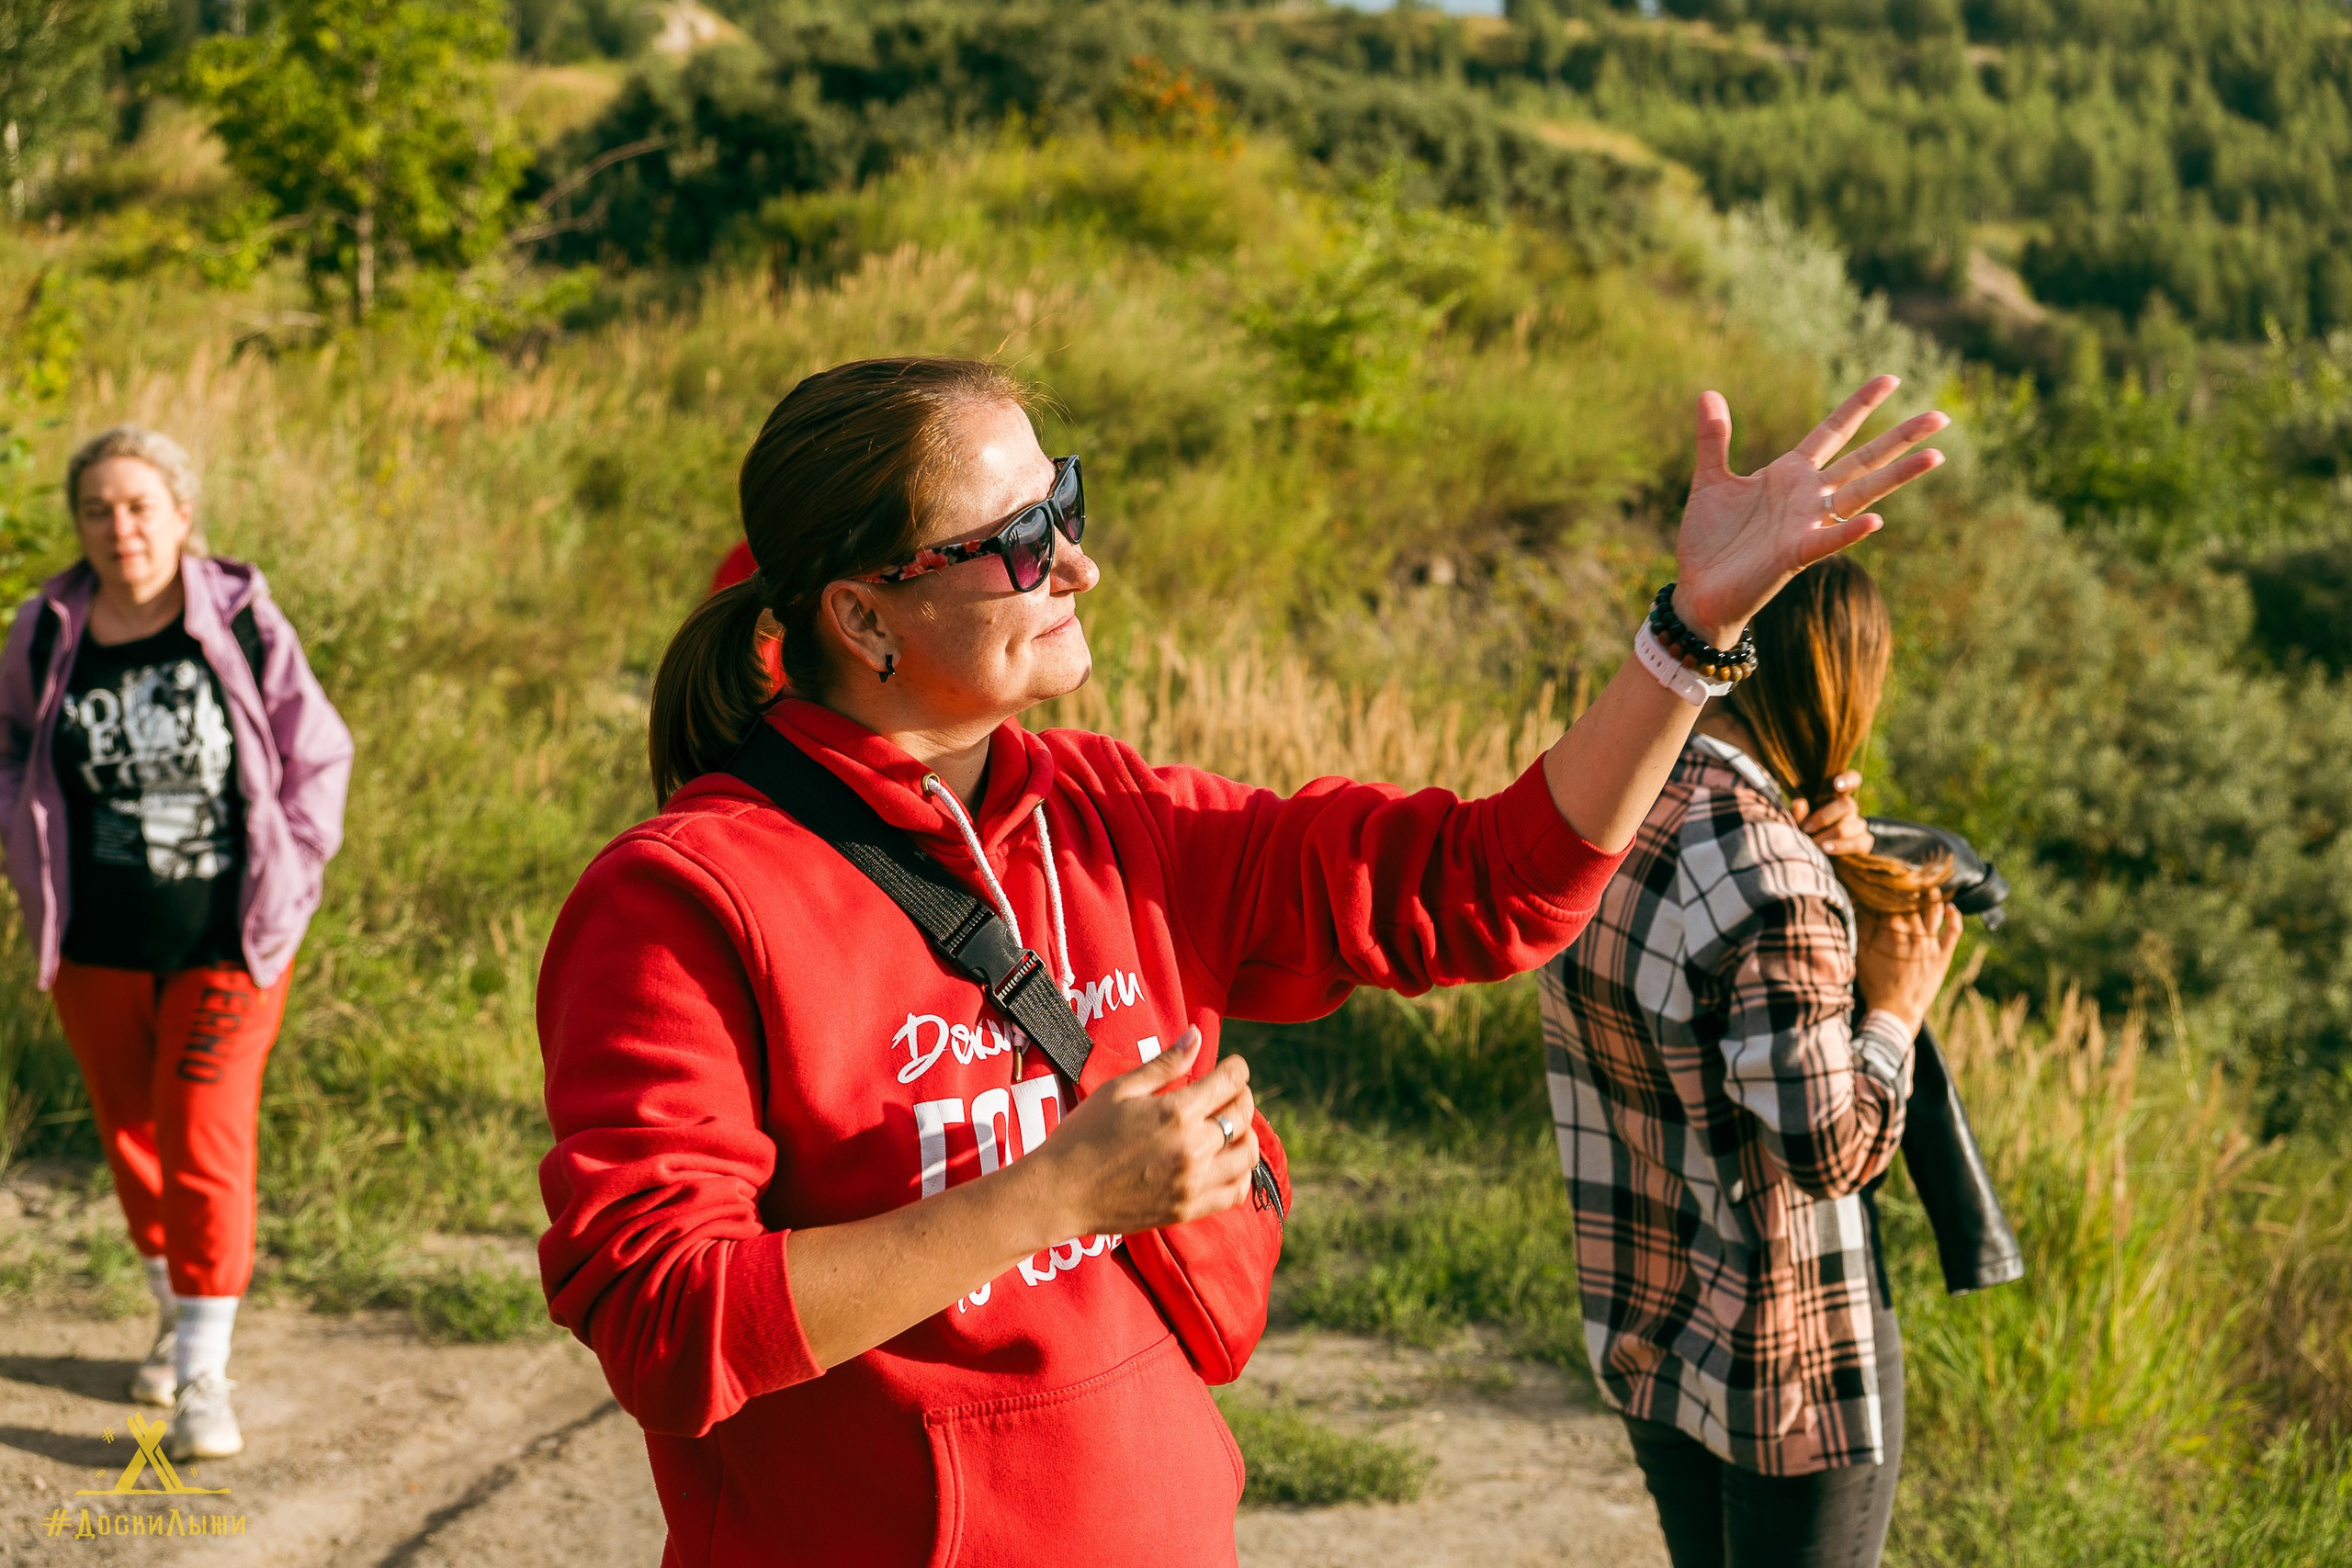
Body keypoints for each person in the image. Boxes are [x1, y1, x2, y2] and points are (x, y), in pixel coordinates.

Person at [535, 356, 1949, 1567]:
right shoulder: (684, 902)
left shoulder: (1117, 818)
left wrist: (1690, 636)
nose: (1079, 562)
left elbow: (1486, 883)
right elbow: (668, 1318)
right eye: (1021, 540)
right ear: (861, 615)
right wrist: (1055, 1193)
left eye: (1065, 503)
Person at [1537, 556, 1964, 1568]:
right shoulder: (1777, 882)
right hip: (1785, 1361)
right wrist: (1897, 1010)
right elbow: (1830, 1148)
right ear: (1836, 682)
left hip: (1647, 1321)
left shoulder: (1606, 802)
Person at [0, 427, 353, 1461]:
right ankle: (175, 1313)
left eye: (141, 506)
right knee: (133, 1138)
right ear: (79, 526)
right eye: (99, 510)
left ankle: (203, 1372)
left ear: (182, 514)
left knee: (200, 1130)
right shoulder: (43, 628)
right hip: (96, 942)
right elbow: (9, 743)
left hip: (229, 942)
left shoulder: (238, 617)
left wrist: (294, 867)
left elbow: (315, 752)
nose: (121, 528)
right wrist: (24, 854)